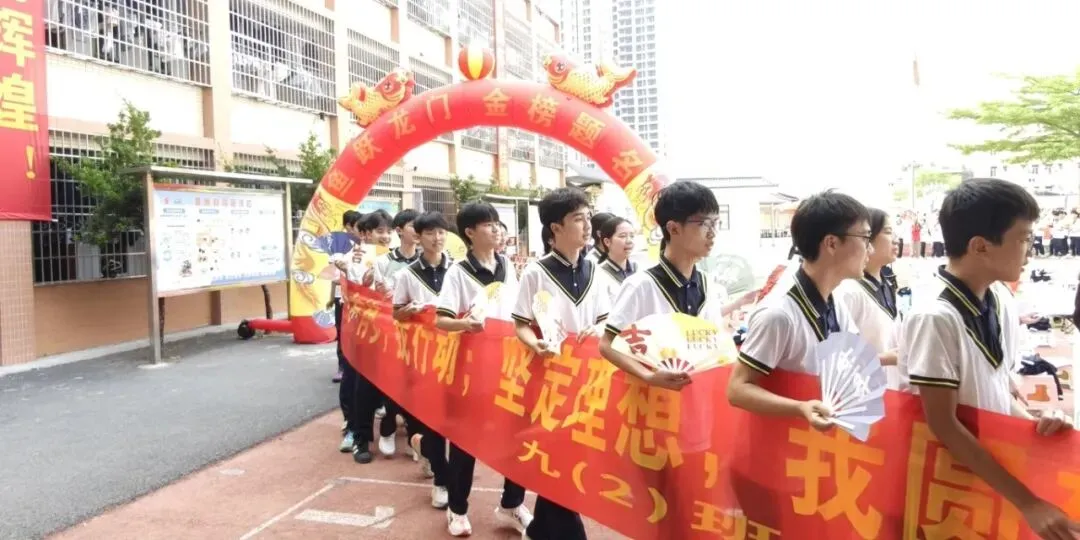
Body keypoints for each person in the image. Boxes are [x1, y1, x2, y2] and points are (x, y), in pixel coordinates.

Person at [899, 178, 1076, 540]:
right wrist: (1028, 502)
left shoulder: (999, 300)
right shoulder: (934, 317)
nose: (1032, 251)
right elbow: (944, 425)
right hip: (951, 486)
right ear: (981, 246)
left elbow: (998, 390)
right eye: (1024, 238)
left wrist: (1036, 424)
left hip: (993, 476)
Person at [512, 188, 608, 540]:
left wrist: (597, 327)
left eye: (588, 217)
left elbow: (605, 320)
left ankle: (539, 530)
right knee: (560, 458)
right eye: (579, 219)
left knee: (571, 458)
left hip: (588, 379)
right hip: (549, 379)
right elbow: (520, 322)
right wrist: (534, 343)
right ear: (556, 227)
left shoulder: (595, 270)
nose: (587, 226)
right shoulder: (536, 273)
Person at [434, 202, 532, 537]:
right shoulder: (458, 272)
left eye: (497, 224)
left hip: (511, 366)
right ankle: (457, 508)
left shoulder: (508, 265)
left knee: (515, 437)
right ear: (470, 233)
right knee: (466, 440)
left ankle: (512, 503)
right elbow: (440, 320)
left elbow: (520, 311)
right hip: (472, 370)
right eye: (488, 225)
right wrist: (465, 325)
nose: (496, 230)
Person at [727, 190, 869, 422]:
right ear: (831, 243)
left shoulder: (835, 302)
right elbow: (737, 389)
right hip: (782, 446)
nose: (869, 249)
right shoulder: (778, 315)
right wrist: (799, 408)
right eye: (864, 237)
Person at [391, 211, 453, 510]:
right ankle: (441, 481)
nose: (437, 238)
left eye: (441, 232)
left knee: (455, 421)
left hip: (457, 357)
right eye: (431, 233)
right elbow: (396, 311)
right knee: (433, 421)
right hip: (423, 358)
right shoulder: (406, 275)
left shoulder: (458, 270)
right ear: (419, 236)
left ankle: (422, 447)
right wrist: (410, 311)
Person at [367, 209, 421, 458]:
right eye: (414, 226)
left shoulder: (427, 260)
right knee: (393, 384)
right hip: (391, 332)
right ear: (399, 230)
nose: (419, 232)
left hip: (421, 336)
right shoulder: (384, 262)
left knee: (417, 387)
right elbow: (382, 296)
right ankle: (388, 427)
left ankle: (414, 437)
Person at [834, 208, 903, 389]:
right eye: (888, 232)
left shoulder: (887, 283)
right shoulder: (849, 291)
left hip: (889, 391)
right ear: (866, 239)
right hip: (861, 394)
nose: (896, 239)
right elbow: (836, 355)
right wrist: (886, 358)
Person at [330, 211, 362, 452]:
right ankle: (353, 428)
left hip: (379, 325)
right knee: (352, 371)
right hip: (352, 315)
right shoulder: (344, 252)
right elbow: (335, 279)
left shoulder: (383, 257)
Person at [593, 216, 637, 302]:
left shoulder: (638, 268)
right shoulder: (598, 275)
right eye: (622, 236)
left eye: (632, 236)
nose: (629, 241)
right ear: (607, 242)